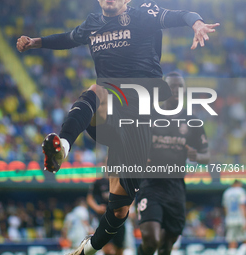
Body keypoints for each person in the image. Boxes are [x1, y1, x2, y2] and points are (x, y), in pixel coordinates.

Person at [16, 1, 219, 254]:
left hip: (140, 121)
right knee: (96, 91)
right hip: (110, 112)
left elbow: (181, 15)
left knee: (120, 208)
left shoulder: (143, 14)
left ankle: (88, 248)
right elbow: (67, 38)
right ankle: (63, 147)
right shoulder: (92, 24)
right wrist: (36, 42)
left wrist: (197, 23)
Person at [136, 72, 210, 255]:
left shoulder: (192, 121)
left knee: (166, 247)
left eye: (180, 87)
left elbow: (206, 155)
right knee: (151, 241)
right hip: (150, 185)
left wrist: (196, 156)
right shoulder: (148, 115)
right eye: (172, 86)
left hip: (176, 187)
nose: (177, 90)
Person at [87, 177, 126, 255]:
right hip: (104, 218)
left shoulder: (123, 182)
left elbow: (131, 197)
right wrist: (97, 208)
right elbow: (90, 198)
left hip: (119, 219)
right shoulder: (99, 182)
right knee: (108, 249)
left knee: (119, 249)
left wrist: (127, 210)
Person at [222, 180, 246, 253]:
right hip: (240, 219)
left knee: (232, 241)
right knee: (244, 239)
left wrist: (227, 218)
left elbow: (225, 208)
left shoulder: (227, 192)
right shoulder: (241, 191)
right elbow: (242, 205)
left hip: (230, 219)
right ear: (238, 184)